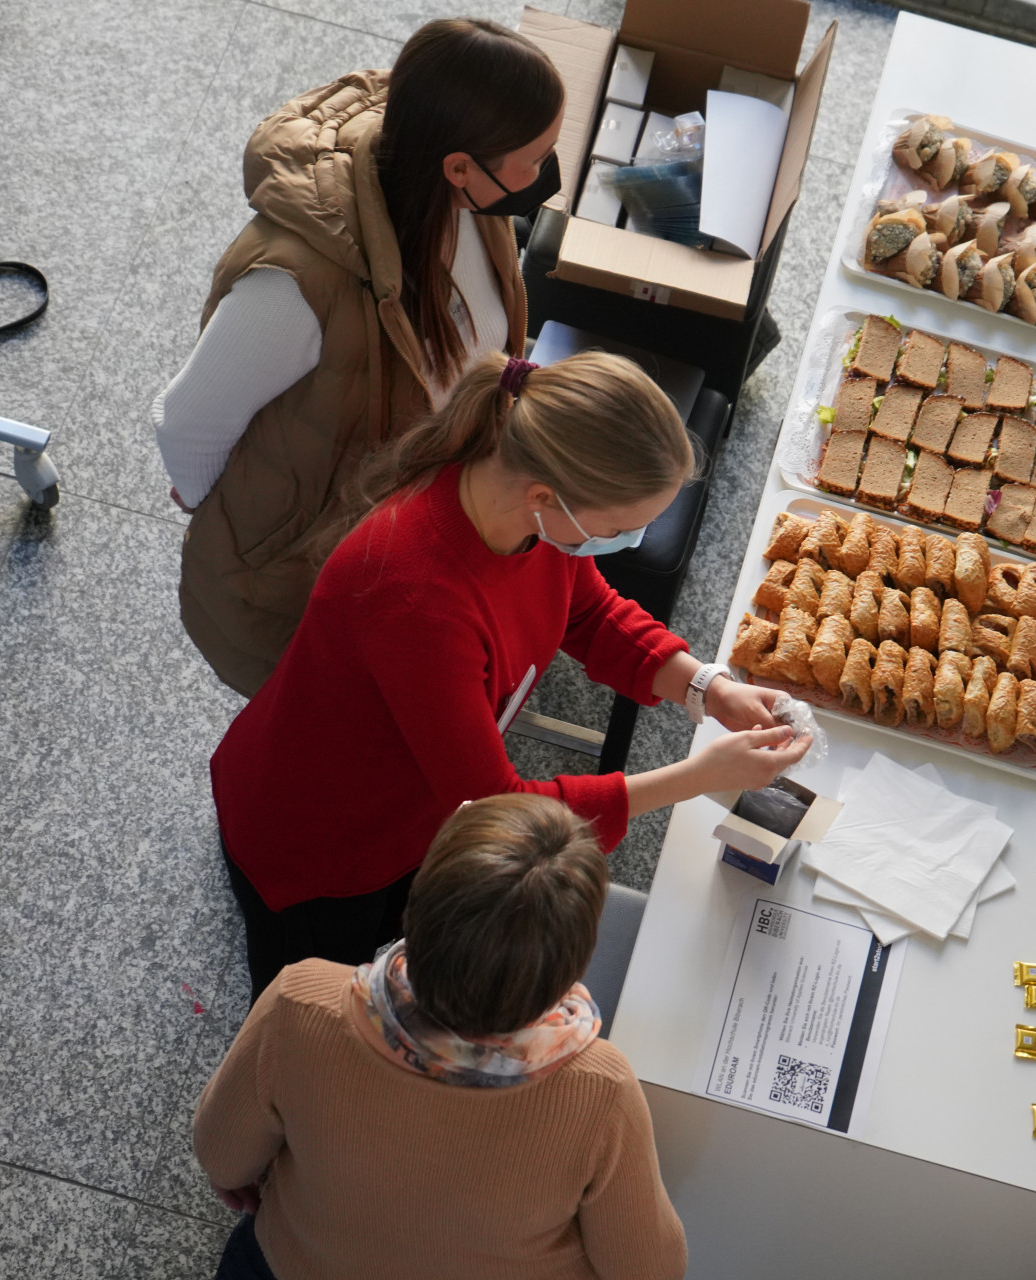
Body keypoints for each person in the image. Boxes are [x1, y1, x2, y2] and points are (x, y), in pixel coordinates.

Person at [211, 349, 809, 999]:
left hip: (418, 807)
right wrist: (696, 778)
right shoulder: (413, 595)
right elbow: (497, 804)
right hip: (324, 839)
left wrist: (706, 687)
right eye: (620, 527)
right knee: (326, 1006)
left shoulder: (524, 517)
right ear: (546, 497)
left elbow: (590, 612)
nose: (629, 541)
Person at [155, 19, 566, 695]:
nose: (547, 173)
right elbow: (188, 421)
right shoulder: (295, 283)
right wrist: (232, 513)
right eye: (536, 157)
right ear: (461, 167)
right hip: (304, 568)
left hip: (406, 525)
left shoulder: (468, 201)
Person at [194, 793, 688, 1280]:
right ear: (574, 965)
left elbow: (221, 1154)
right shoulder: (602, 1091)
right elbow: (650, 1269)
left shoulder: (300, 1001)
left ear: (416, 899)